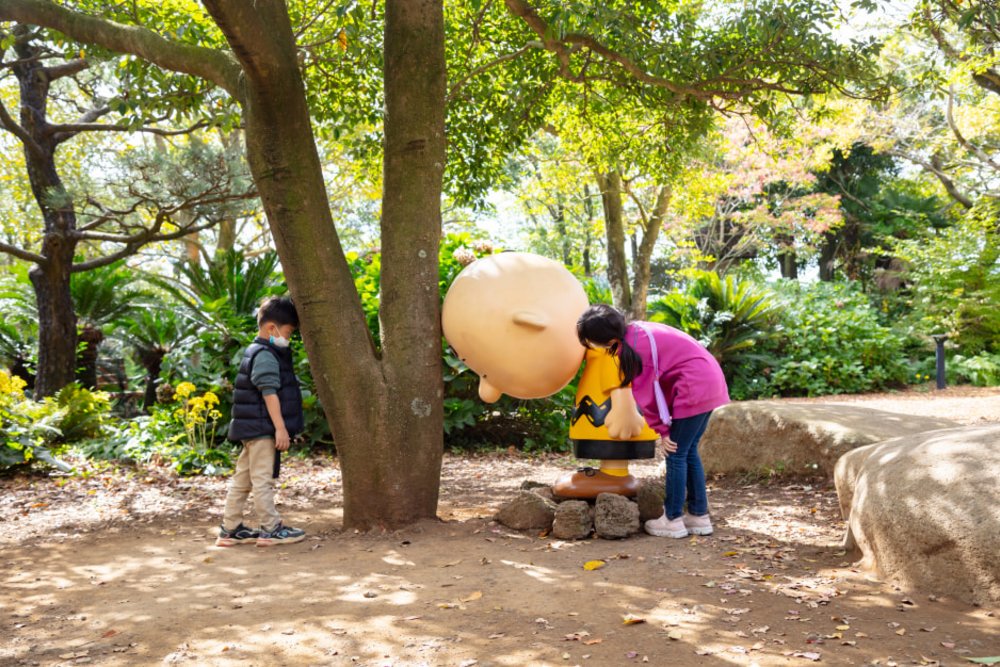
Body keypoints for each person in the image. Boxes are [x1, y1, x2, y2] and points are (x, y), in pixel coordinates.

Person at [576, 304, 730, 538]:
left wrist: (663, 431)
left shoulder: (633, 350)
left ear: (605, 341)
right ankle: (699, 516)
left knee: (675, 453)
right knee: (688, 452)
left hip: (694, 386)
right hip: (709, 380)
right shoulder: (636, 331)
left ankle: (672, 519)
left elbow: (647, 396)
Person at [216, 296, 306, 547]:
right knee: (262, 480)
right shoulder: (266, 354)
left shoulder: (255, 351)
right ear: (271, 329)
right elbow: (269, 392)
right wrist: (280, 428)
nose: (287, 338)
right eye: (287, 332)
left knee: (243, 479)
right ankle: (270, 528)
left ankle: (230, 528)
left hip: (251, 428)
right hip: (263, 428)